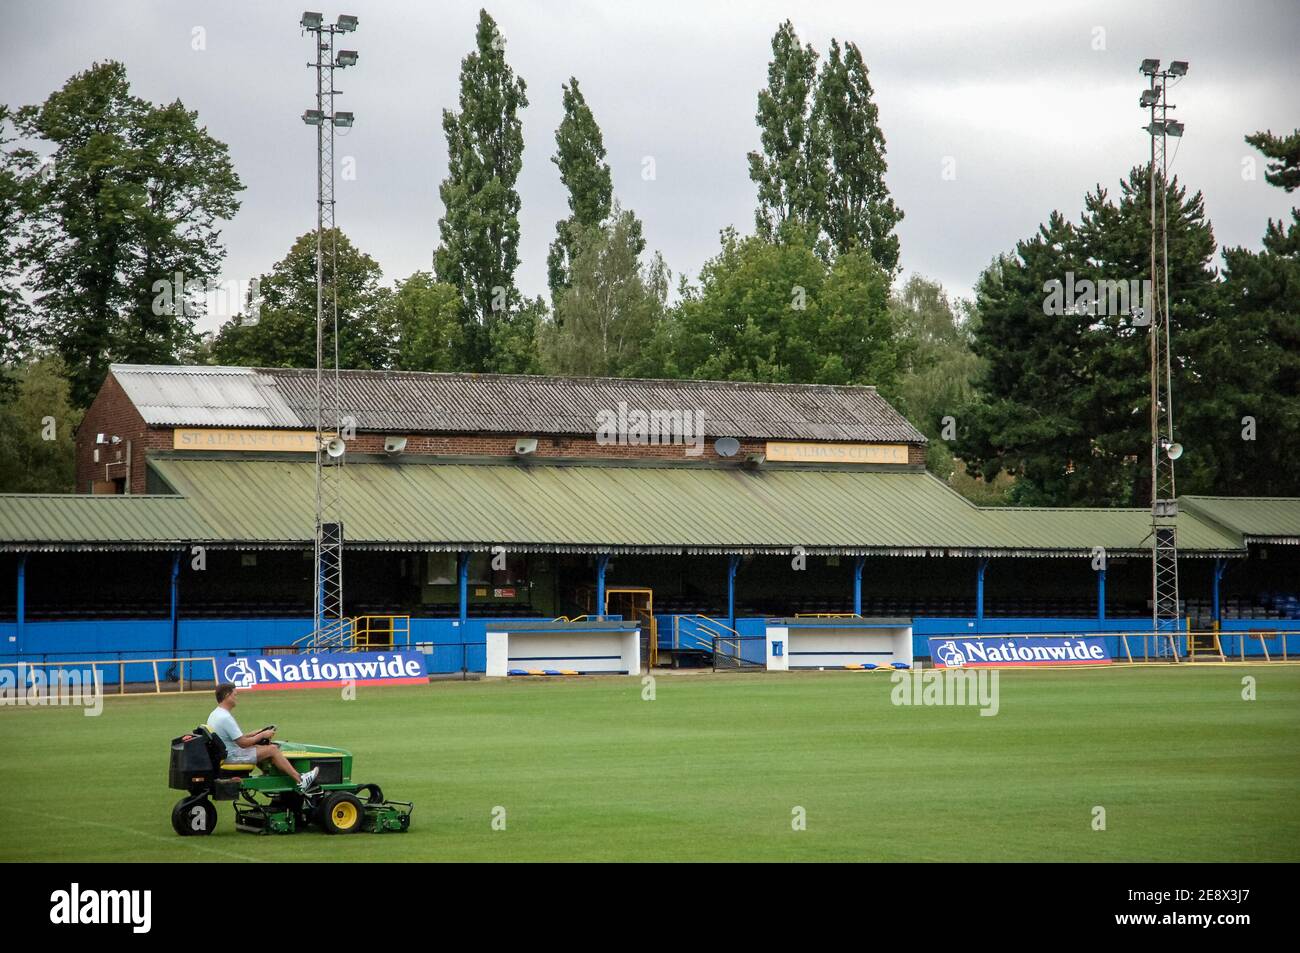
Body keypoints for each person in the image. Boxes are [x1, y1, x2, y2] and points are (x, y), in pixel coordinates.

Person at [208, 683, 318, 793]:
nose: (236, 698)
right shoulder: (226, 718)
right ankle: (300, 779)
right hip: (232, 757)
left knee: (260, 746)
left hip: (226, 753)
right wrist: (262, 735)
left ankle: (269, 773)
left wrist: (254, 734)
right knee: (272, 749)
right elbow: (243, 743)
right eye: (234, 695)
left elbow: (231, 738)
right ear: (227, 695)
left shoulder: (216, 714)